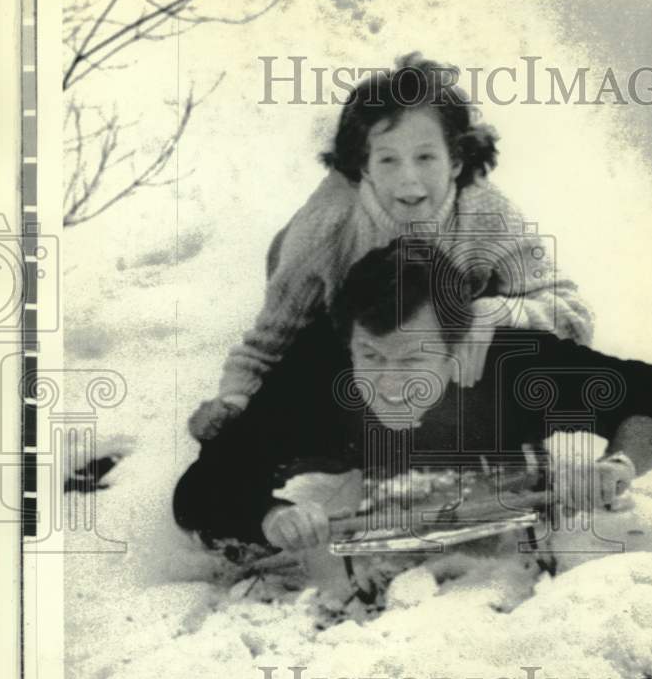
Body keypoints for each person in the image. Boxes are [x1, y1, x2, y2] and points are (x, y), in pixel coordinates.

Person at [174, 239, 652, 553]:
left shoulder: (512, 362)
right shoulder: (318, 371)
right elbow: (204, 486)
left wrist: (620, 463)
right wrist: (269, 516)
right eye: (372, 358)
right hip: (348, 466)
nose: (391, 384)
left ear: (458, 350)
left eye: (413, 360)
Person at [188, 52, 594, 442]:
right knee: (320, 365)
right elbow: (269, 342)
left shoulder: (488, 214)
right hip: (343, 312)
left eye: (426, 157)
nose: (409, 181)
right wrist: (233, 402)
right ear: (362, 166)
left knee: (494, 338)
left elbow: (573, 314)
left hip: (439, 333)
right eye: (388, 161)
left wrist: (490, 313)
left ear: (456, 160)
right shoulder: (327, 226)